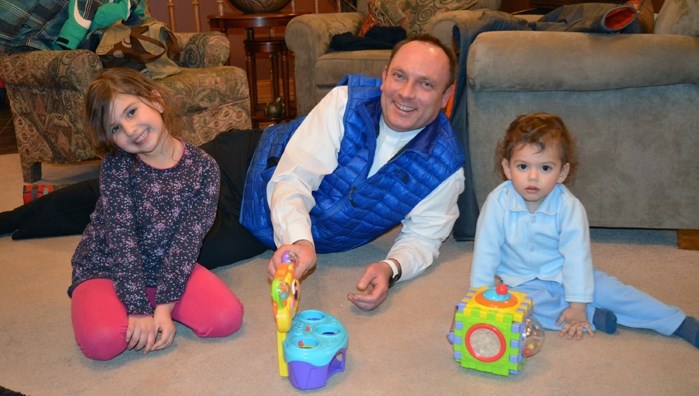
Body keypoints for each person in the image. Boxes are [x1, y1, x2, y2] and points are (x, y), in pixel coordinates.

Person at [0, 34, 465, 312]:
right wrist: (301, 242)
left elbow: (424, 237)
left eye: (426, 84)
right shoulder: (347, 103)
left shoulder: (444, 167)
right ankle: (11, 221)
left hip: (262, 229)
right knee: (125, 195)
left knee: (177, 256)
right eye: (399, 76)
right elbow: (292, 177)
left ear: (445, 94)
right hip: (246, 166)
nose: (406, 93)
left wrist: (391, 267)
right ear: (385, 75)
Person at [469, 112, 698, 348]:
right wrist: (478, 299)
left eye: (545, 167)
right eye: (523, 166)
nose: (533, 176)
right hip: (520, 282)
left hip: (567, 273)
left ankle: (676, 321)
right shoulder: (497, 203)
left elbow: (577, 258)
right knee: (517, 309)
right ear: (507, 168)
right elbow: (486, 252)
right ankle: (593, 316)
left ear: (562, 172)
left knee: (615, 292)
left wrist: (578, 301)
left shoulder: (569, 207)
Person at [69, 68, 244, 361]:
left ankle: (151, 300)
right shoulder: (117, 166)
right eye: (115, 129)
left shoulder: (204, 168)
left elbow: (187, 243)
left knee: (227, 318)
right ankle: (118, 302)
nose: (130, 130)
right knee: (102, 343)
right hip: (107, 267)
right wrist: (137, 308)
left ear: (157, 101)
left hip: (168, 267)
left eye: (132, 111)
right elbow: (122, 240)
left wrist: (164, 307)